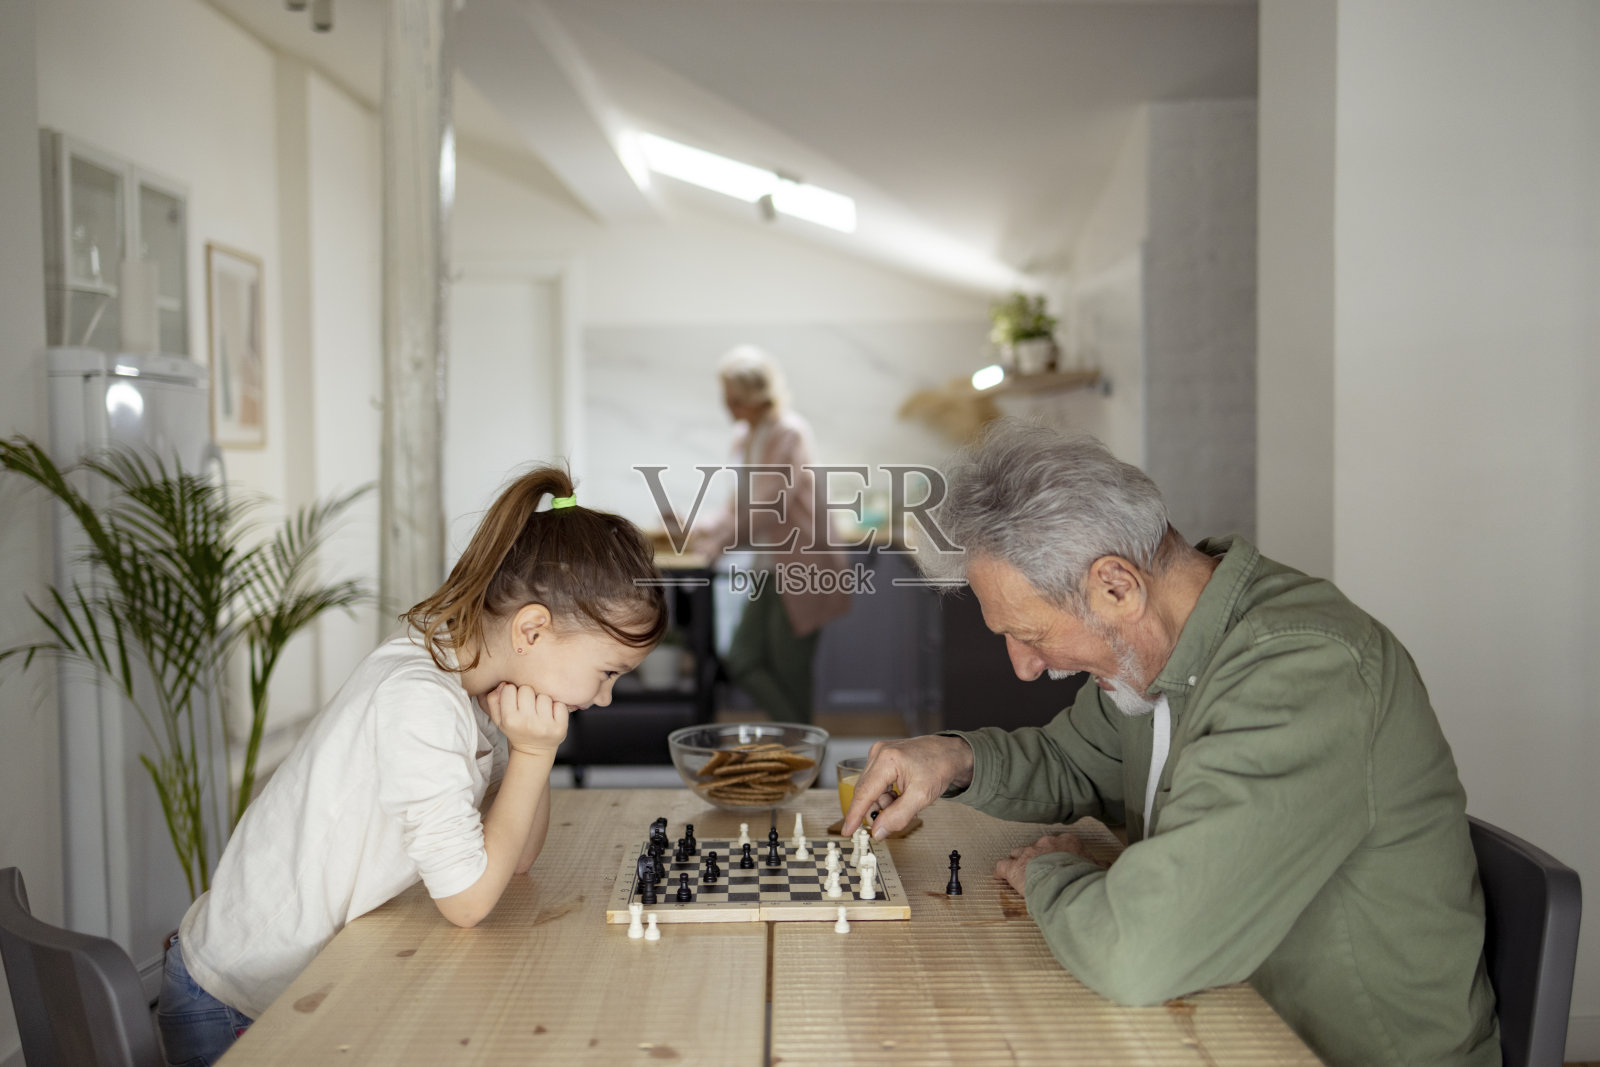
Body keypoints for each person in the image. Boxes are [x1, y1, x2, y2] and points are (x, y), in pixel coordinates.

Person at [842, 421, 1499, 1067]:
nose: (1025, 666)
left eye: (1031, 634)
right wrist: (952, 756)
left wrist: (1050, 870)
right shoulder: (1160, 651)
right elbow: (1071, 759)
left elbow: (1138, 951)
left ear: (1116, 586)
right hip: (1222, 1019)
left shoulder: (1303, 672)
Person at [156, 467, 666, 1066]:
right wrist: (534, 752)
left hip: (303, 979)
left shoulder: (476, 683)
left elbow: (518, 859)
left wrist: (535, 748)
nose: (604, 698)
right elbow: (469, 902)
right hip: (235, 1000)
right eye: (607, 673)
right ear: (532, 629)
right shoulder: (419, 698)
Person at [691, 345, 848, 723]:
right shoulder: (748, 438)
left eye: (734, 398)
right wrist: (695, 526)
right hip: (770, 566)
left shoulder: (787, 434)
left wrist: (718, 540)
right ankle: (804, 750)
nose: (727, 406)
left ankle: (805, 760)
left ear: (756, 396)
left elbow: (764, 507)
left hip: (801, 566)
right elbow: (736, 506)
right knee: (743, 659)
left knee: (790, 670)